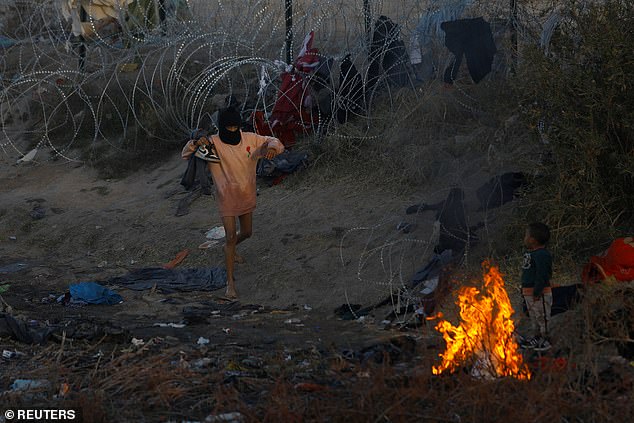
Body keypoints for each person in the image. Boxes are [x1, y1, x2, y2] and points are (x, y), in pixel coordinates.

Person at [182, 107, 284, 300]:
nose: (231, 130)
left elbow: (274, 141)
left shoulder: (249, 139)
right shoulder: (213, 143)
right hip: (225, 196)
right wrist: (196, 142)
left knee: (246, 232)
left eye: (235, 126)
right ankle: (230, 283)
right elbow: (186, 154)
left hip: (246, 194)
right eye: (227, 127)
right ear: (221, 126)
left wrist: (271, 148)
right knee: (230, 236)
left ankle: (229, 248)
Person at [520, 222, 553, 351]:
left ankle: (546, 340)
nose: (525, 238)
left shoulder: (542, 255)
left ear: (532, 240)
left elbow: (543, 274)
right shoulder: (531, 254)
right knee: (534, 317)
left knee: (542, 317)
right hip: (528, 293)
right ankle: (537, 337)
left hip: (540, 293)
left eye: (526, 235)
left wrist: (537, 291)